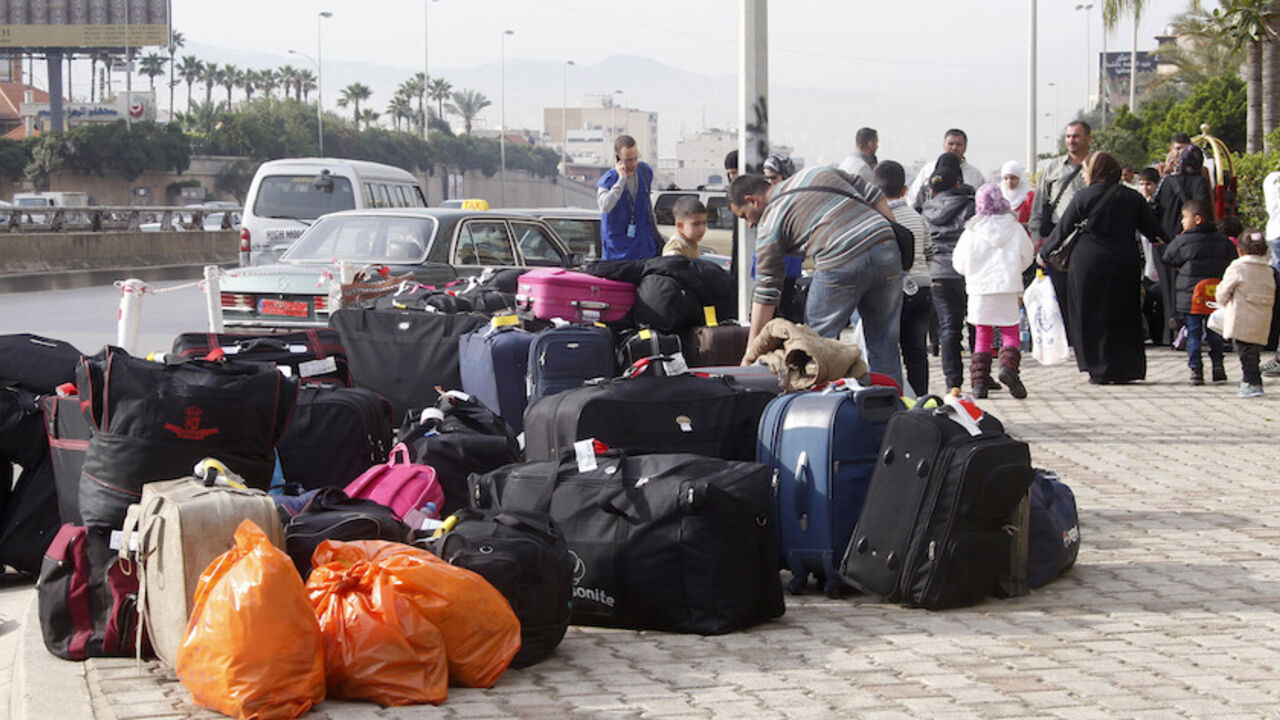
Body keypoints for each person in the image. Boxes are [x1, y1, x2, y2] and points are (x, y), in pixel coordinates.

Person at [728, 168, 904, 384]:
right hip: (887, 247)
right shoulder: (815, 172)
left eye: (744, 216)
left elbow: (766, 291)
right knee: (884, 342)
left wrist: (751, 351)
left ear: (752, 200)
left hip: (839, 259)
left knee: (814, 344)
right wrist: (889, 234)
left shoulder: (770, 222)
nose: (749, 224)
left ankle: (823, 408)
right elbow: (873, 193)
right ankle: (893, 408)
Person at [1039, 152, 1169, 384]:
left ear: (1095, 172)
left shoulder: (1083, 197)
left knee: (1090, 314)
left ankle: (1097, 368)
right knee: (1123, 313)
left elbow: (1063, 230)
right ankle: (1125, 368)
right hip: (1124, 262)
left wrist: (1044, 253)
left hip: (1088, 263)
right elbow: (1155, 232)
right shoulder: (1132, 198)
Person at [952, 184, 1035, 399]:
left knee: (982, 332)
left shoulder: (971, 230)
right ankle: (1008, 368)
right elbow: (1027, 256)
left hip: (979, 289)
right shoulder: (1015, 227)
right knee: (1010, 331)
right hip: (1008, 286)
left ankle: (979, 383)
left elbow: (959, 263)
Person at [1159, 197, 1238, 385]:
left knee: (1193, 333)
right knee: (1215, 331)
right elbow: (1231, 259)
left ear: (1197, 219)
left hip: (1191, 297)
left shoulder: (1183, 240)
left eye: (1184, 218)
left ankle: (1196, 370)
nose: (1181, 222)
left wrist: (1162, 247)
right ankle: (1218, 367)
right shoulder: (1222, 240)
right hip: (1215, 295)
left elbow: (1169, 258)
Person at [875, 160, 933, 396]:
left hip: (891, 293)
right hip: (921, 289)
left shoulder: (878, 218)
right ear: (905, 189)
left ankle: (893, 399)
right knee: (917, 351)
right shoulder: (917, 217)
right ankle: (921, 400)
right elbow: (929, 253)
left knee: (887, 351)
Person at [1029, 120, 1091, 335]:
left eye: (1076, 136)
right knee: (1060, 287)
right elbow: (1039, 204)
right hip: (1060, 236)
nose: (1071, 141)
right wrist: (1036, 235)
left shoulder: (1096, 165)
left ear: (1088, 138)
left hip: (1088, 236)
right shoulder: (1053, 168)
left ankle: (1083, 333)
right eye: (1068, 136)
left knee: (1085, 287)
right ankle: (1064, 335)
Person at [922, 154, 977, 394]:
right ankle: (980, 378)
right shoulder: (971, 205)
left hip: (938, 273)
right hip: (967, 271)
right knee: (975, 323)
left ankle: (953, 382)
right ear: (958, 183)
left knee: (948, 327)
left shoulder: (925, 210)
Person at [1153, 145, 1213, 341]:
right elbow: (1204, 210)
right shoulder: (1200, 183)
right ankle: (1192, 331)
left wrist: (1157, 237)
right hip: (1193, 242)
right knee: (1192, 287)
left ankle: (1169, 334)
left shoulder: (1166, 181)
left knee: (1168, 287)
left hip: (1166, 241)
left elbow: (1154, 208)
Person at [1216, 229, 1277, 397]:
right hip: (1263, 317)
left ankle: (1252, 382)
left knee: (1244, 352)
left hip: (1241, 317)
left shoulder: (1237, 267)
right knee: (1253, 351)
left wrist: (1221, 301)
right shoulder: (1269, 270)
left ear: (1239, 250)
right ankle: (1249, 380)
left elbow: (1223, 291)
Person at [596, 134, 662, 260]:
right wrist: (621, 180)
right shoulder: (608, 180)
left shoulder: (644, 171)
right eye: (629, 160)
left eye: (636, 158)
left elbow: (647, 205)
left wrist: (655, 232)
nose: (633, 164)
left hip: (643, 248)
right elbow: (604, 206)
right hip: (618, 253)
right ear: (617, 158)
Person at [907, 129, 985, 211]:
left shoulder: (975, 175)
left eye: (959, 144)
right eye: (950, 144)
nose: (954, 148)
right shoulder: (928, 170)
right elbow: (912, 199)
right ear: (944, 145)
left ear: (965, 147)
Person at [1000, 160, 1035, 226]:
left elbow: (1034, 221)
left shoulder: (1029, 196)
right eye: (1006, 178)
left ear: (1020, 178)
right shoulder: (1000, 196)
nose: (1009, 182)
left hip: (1024, 235)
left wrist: (1017, 226)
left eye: (1013, 178)